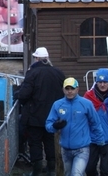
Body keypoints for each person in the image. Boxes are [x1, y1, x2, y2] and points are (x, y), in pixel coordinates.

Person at [17, 47, 65, 176]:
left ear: (37, 58)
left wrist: (18, 95)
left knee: (35, 143)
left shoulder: (32, 73)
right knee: (50, 142)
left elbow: (24, 94)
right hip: (53, 115)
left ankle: (37, 171)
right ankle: (52, 170)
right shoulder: (58, 73)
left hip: (34, 115)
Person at [46, 78, 105, 176]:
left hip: (82, 149)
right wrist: (55, 126)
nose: (69, 91)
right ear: (63, 90)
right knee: (68, 174)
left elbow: (95, 123)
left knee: (76, 174)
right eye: (67, 88)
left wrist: (100, 142)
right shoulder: (57, 104)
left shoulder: (86, 104)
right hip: (65, 149)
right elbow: (48, 125)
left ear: (77, 89)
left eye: (72, 88)